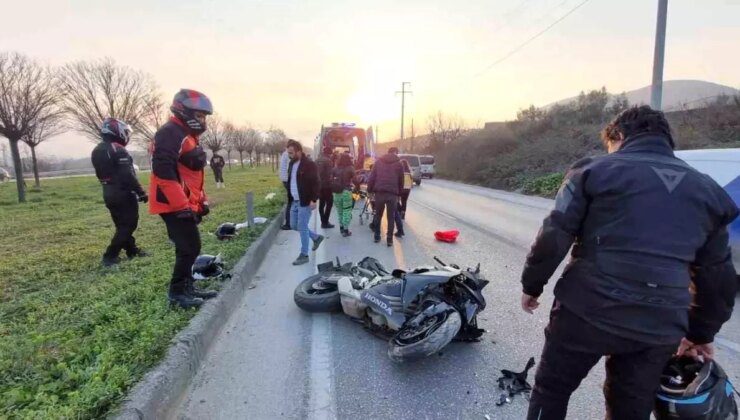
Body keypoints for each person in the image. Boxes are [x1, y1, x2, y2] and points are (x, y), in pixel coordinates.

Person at [520, 106, 739, 420]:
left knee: (551, 390)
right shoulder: (707, 190)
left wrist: (532, 284)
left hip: (585, 311)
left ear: (619, 136)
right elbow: (717, 276)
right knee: (630, 409)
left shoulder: (592, 171)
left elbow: (555, 234)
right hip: (659, 324)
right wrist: (701, 334)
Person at [149, 89, 218, 309]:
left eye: (204, 116)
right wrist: (181, 206)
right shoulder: (170, 133)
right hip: (172, 204)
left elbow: (192, 175)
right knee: (189, 247)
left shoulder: (188, 136)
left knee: (189, 248)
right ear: (184, 110)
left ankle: (188, 287)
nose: (203, 120)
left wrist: (201, 201)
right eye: (199, 115)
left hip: (184, 202)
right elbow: (163, 171)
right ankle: (177, 294)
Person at [91, 117, 149, 267]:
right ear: (117, 132)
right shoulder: (118, 149)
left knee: (121, 224)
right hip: (122, 192)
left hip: (107, 190)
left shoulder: (97, 149)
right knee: (129, 225)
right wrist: (141, 191)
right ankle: (110, 255)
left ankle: (132, 250)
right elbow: (128, 174)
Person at [287, 141, 325, 265]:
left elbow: (316, 182)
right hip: (294, 201)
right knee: (293, 225)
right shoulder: (292, 164)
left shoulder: (309, 165)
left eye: (291, 153)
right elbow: (291, 181)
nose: (290, 155)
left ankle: (304, 254)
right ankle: (315, 237)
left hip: (305, 201)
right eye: (288, 153)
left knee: (302, 227)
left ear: (299, 151)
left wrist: (314, 199)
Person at [367, 147, 404, 246]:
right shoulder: (399, 164)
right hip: (392, 194)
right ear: (395, 153)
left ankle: (377, 236)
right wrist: (399, 194)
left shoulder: (378, 162)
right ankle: (389, 239)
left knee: (378, 215)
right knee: (391, 217)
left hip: (380, 193)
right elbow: (401, 180)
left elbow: (372, 177)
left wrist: (369, 190)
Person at [332, 153, 356, 237]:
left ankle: (341, 228)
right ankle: (346, 230)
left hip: (336, 193)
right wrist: (356, 188)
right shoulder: (350, 168)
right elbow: (355, 179)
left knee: (340, 212)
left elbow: (331, 179)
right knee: (346, 210)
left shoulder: (335, 168)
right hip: (346, 192)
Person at [316, 146, 335, 229]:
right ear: (329, 153)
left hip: (318, 185)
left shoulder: (317, 160)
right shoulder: (328, 161)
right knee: (329, 203)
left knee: (321, 204)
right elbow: (329, 174)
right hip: (327, 185)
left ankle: (322, 221)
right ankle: (325, 222)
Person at [393, 159, 413, 238]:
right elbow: (412, 181)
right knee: (404, 201)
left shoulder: (400, 172)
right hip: (408, 189)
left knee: (397, 201)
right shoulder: (409, 172)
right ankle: (403, 214)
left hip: (401, 188)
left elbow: (398, 180)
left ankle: (400, 211)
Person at [279, 141, 293, 230]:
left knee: (291, 201)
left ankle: (290, 222)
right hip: (288, 180)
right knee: (291, 202)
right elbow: (290, 168)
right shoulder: (288, 154)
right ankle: (288, 223)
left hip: (285, 179)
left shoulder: (285, 153)